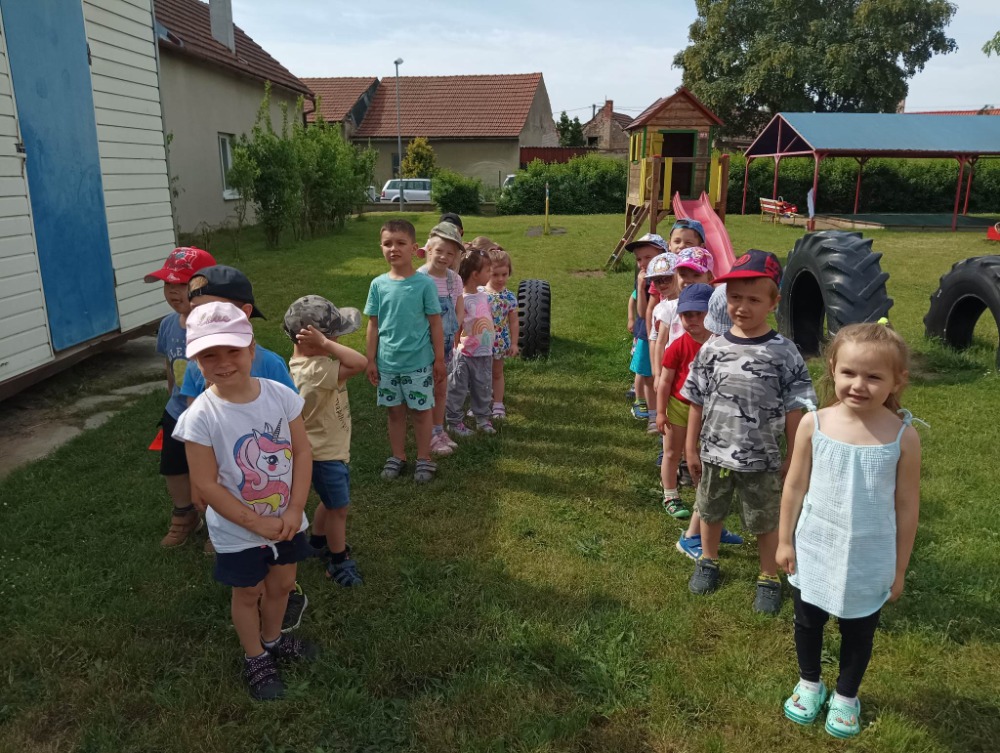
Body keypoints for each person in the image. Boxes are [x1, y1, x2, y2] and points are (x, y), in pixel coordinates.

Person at [777, 322, 921, 739]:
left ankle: (846, 695)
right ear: (833, 369)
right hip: (815, 546)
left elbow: (907, 506)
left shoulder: (903, 437)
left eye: (874, 376)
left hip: (870, 556)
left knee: (859, 630)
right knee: (808, 621)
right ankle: (809, 683)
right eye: (849, 373)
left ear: (897, 381)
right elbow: (795, 486)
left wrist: (899, 568)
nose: (859, 385)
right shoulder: (814, 424)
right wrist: (785, 540)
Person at [172, 302, 317, 701]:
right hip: (238, 531)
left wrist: (294, 509)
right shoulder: (200, 417)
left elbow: (302, 451)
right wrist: (256, 524)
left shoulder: (281, 396)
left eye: (232, 350)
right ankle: (255, 656)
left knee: (283, 583)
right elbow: (205, 484)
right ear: (196, 361)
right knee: (248, 592)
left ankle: (273, 639)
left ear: (252, 348)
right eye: (209, 355)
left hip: (287, 519)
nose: (223, 363)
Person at [683, 249, 816, 614]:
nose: (742, 307)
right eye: (735, 297)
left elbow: (796, 408)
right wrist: (690, 449)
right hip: (714, 453)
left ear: (773, 302)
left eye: (754, 300)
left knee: (765, 518)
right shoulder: (713, 347)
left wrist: (794, 456)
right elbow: (695, 400)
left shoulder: (784, 352)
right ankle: (708, 560)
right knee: (710, 510)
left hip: (763, 457)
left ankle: (769, 576)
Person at [284, 295, 367, 587]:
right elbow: (360, 362)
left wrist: (323, 344)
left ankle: (318, 542)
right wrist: (326, 344)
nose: (337, 340)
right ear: (312, 341)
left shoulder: (306, 364)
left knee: (330, 502)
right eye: (333, 336)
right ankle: (338, 560)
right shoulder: (316, 371)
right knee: (338, 509)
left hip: (326, 450)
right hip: (324, 455)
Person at [144, 246, 216, 547]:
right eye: (168, 284)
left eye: (182, 284)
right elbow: (170, 365)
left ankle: (218, 524)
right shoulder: (167, 325)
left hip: (212, 414)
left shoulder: (217, 326)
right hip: (177, 411)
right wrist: (171, 395)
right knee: (173, 467)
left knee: (214, 471)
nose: (173, 292)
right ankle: (185, 516)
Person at [364, 219, 445, 483]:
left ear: (414, 248)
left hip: (418, 363)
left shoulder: (424, 285)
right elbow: (373, 324)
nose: (393, 248)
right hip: (387, 364)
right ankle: (398, 455)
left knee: (421, 413)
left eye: (400, 243)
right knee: (394, 412)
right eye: (387, 243)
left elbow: (435, 323)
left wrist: (439, 359)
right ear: (381, 247)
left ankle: (424, 457)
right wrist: (370, 360)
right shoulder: (378, 285)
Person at [655, 283, 713, 519]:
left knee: (703, 454)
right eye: (687, 315)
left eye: (699, 313)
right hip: (678, 408)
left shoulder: (720, 346)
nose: (693, 320)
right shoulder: (677, 346)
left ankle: (703, 497)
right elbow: (665, 382)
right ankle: (670, 494)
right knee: (672, 453)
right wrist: (660, 412)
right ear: (679, 316)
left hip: (708, 412)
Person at [418, 223, 466, 457]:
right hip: (423, 346)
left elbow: (459, 309)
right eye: (439, 251)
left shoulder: (454, 280)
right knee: (425, 391)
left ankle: (439, 429)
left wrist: (454, 330)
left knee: (441, 388)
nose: (444, 257)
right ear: (428, 248)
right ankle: (429, 435)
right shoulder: (419, 278)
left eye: (450, 253)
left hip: (445, 346)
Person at [446, 248, 496, 436]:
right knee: (457, 389)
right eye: (488, 270)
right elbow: (457, 326)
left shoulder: (484, 294)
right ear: (475, 275)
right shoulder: (462, 299)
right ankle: (454, 421)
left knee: (484, 387)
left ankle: (482, 419)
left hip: (485, 353)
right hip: (465, 355)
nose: (491, 274)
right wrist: (454, 349)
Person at [624, 233, 667, 421]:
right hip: (645, 332)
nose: (642, 263)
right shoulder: (643, 279)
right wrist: (641, 288)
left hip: (663, 331)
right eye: (639, 259)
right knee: (643, 370)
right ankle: (641, 401)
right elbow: (642, 312)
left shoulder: (669, 277)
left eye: (648, 257)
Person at [482, 246, 519, 420]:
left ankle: (498, 403)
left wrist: (514, 343)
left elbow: (514, 321)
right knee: (480, 374)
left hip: (499, 342)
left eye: (504, 274)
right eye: (495, 274)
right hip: (481, 342)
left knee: (497, 373)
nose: (500, 279)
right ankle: (480, 403)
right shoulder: (479, 294)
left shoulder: (509, 297)